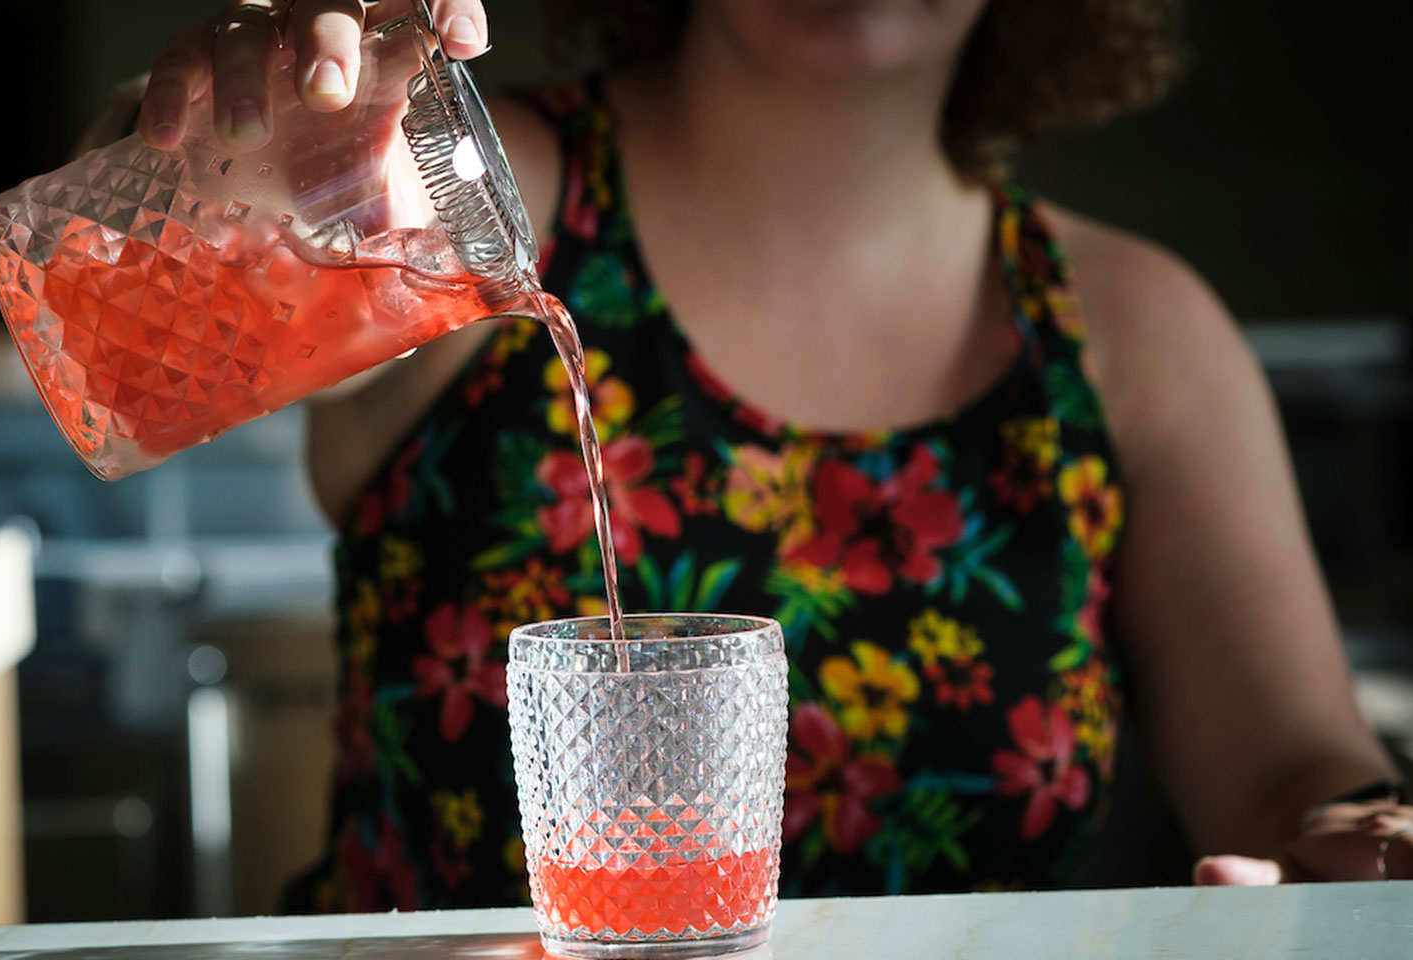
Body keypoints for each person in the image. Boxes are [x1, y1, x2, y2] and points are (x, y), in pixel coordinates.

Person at [98, 0, 1410, 906]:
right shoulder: (467, 199)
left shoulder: (1127, 329)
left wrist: (1364, 836)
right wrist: (222, 134)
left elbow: (1296, 774)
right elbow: (139, 297)